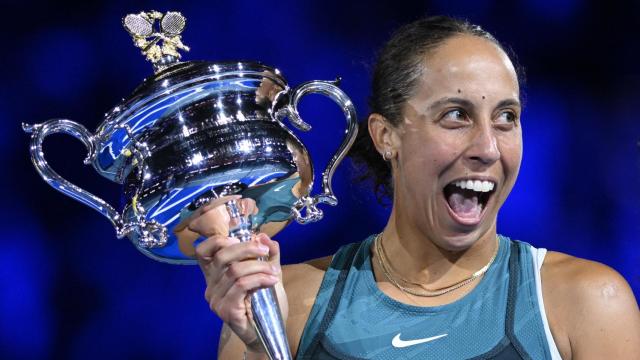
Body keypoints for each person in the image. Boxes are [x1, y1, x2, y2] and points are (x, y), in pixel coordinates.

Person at [184, 16, 640, 359]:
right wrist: (261, 345)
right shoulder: (289, 303)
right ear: (386, 136)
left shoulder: (587, 302)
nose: (487, 147)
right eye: (456, 115)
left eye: (507, 117)